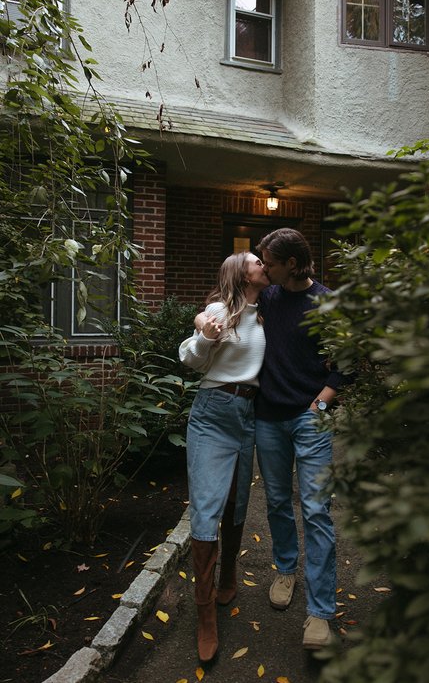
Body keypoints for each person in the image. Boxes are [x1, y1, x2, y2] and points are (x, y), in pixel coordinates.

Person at [254, 227, 346, 650]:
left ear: (292, 263)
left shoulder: (326, 304)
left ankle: (320, 614)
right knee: (276, 501)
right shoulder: (268, 299)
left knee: (315, 510)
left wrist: (319, 408)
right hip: (268, 418)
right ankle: (285, 568)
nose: (262, 267)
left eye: (268, 261)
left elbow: (346, 365)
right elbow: (225, 303)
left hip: (309, 418)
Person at [178, 251, 269, 663]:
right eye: (255, 261)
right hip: (214, 411)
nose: (263, 264)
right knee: (206, 508)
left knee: (236, 502)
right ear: (240, 272)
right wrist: (205, 334)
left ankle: (228, 570)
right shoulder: (219, 310)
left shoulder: (269, 310)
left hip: (250, 412)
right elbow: (190, 360)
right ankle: (205, 613)